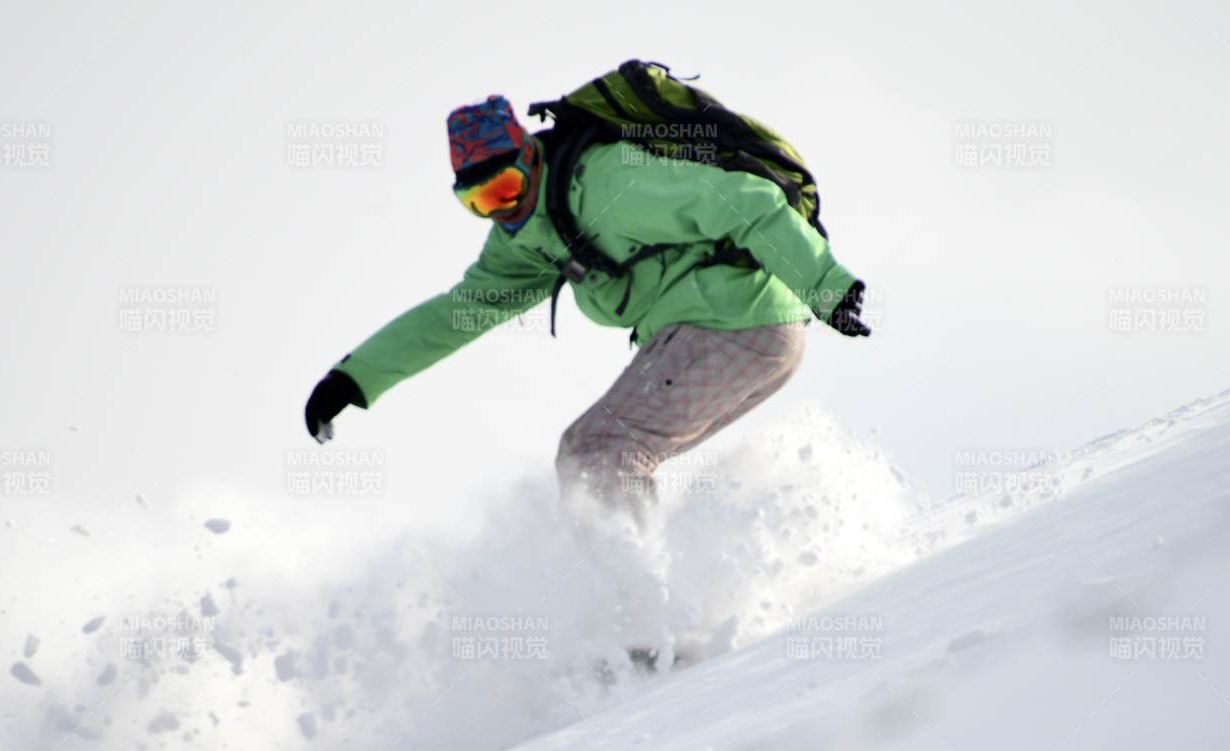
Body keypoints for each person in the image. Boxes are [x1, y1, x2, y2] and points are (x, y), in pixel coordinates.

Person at [304, 93, 870, 511]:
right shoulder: (527, 238)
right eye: (478, 202)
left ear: (529, 158)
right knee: (603, 454)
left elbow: (740, 199)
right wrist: (356, 379)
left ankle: (638, 628)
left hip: (734, 321)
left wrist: (825, 284)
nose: (500, 210)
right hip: (728, 335)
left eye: (502, 189)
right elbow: (458, 314)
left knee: (598, 449)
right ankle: (678, 598)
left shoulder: (607, 184)